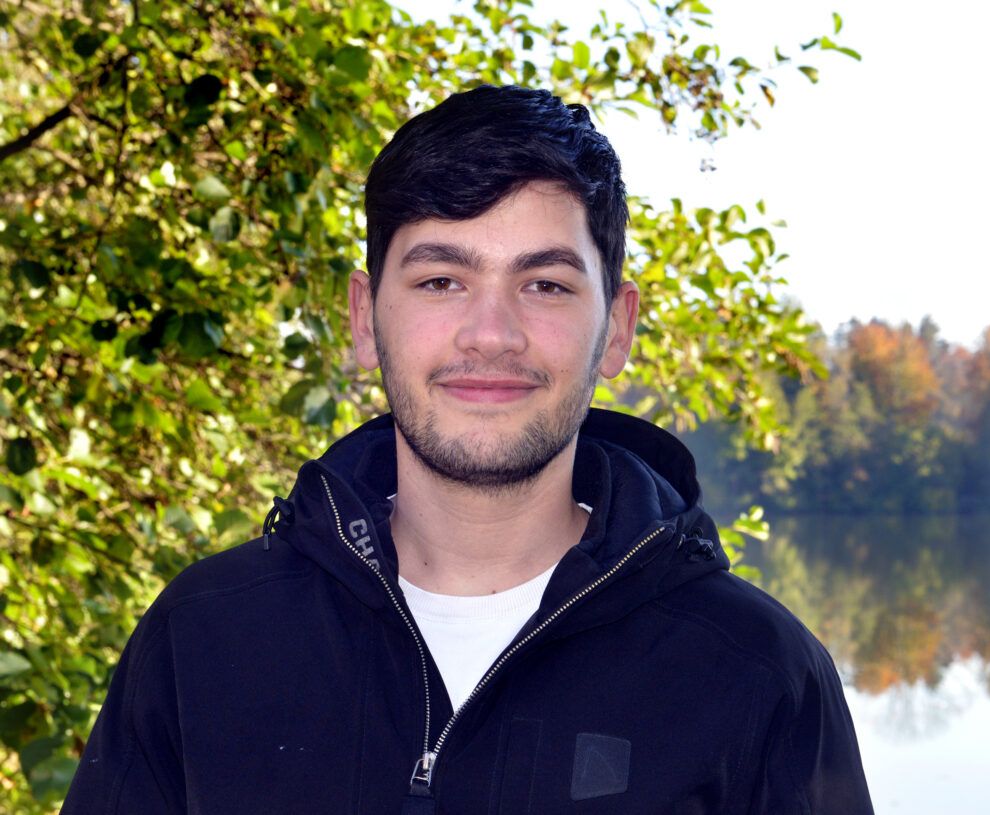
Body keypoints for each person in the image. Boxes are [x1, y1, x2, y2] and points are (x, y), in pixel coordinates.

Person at [63, 85, 873, 814]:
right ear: (364, 316)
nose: (491, 333)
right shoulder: (204, 640)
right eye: (440, 280)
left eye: (545, 284)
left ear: (617, 327)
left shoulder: (758, 674)